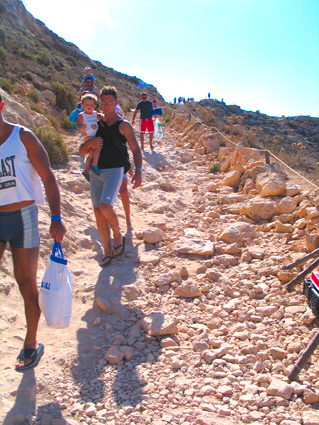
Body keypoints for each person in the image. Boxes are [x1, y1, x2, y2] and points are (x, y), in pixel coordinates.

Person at [0, 92, 67, 371]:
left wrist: (56, 216)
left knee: (25, 282)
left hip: (23, 217)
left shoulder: (22, 136)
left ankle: (31, 342)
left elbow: (48, 175)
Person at [79, 86, 142, 267]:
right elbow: (82, 150)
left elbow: (135, 148)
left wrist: (138, 171)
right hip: (96, 172)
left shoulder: (123, 125)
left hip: (114, 170)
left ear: (116, 103)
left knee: (105, 207)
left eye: (110, 102)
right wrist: (90, 142)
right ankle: (106, 251)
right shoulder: (94, 123)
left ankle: (117, 234)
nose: (106, 105)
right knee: (97, 211)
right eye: (103, 102)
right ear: (100, 102)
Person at [76, 94, 104, 180]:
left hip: (93, 135)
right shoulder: (81, 115)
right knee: (98, 146)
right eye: (87, 104)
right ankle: (94, 164)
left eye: (91, 105)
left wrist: (103, 116)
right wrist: (81, 127)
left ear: (95, 106)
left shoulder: (95, 114)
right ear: (82, 105)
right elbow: (77, 125)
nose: (89, 106)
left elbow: (101, 116)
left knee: (91, 154)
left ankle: (87, 171)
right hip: (87, 136)